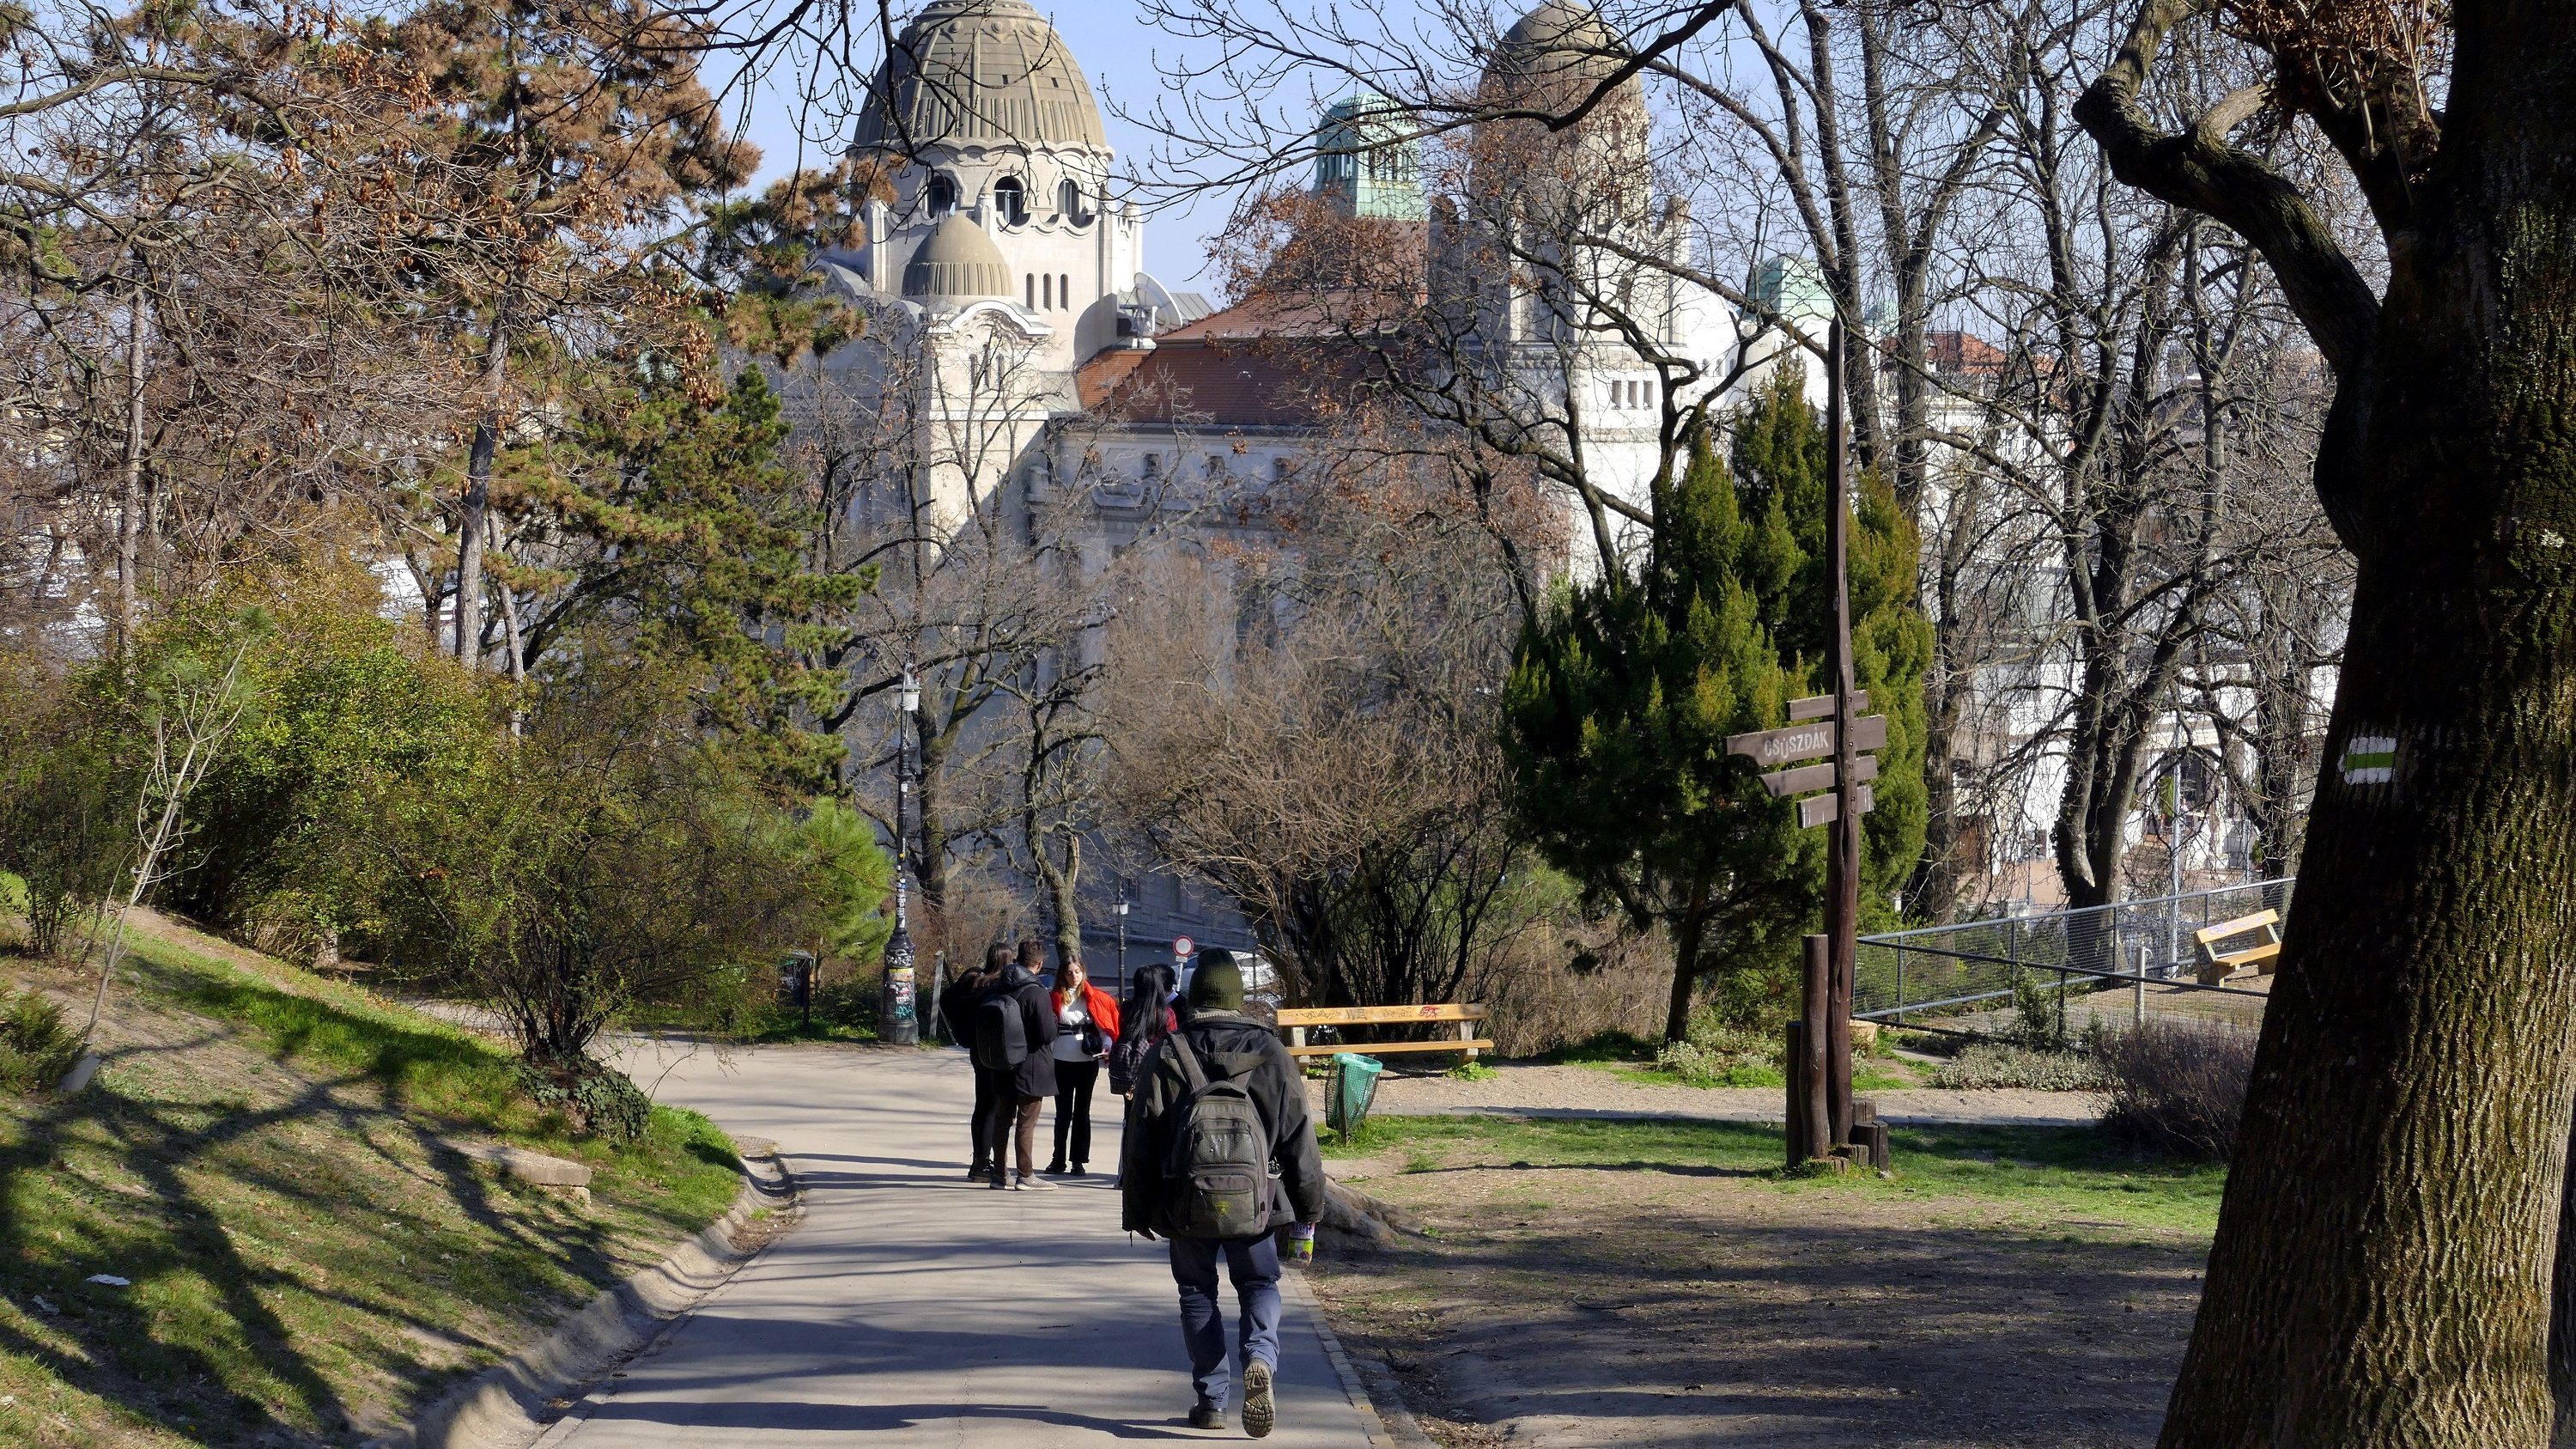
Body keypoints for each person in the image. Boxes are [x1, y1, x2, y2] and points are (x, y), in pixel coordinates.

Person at [1121, 950, 1325, 1439]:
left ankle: (1211, 1401)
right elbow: (1299, 1136)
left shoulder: (1167, 1051)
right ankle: (1260, 1357)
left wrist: (1138, 1208)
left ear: (1194, 997)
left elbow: (1141, 1137)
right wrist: (1308, 1209)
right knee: (1258, 1285)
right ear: (1238, 998)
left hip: (1183, 1202)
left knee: (1197, 1294)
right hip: (1255, 1203)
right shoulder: (1271, 1053)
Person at [981, 939, 1060, 1190]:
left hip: (1003, 1064)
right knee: (1026, 1123)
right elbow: (1047, 1033)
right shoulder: (1036, 992)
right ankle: (1025, 1175)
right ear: (1039, 963)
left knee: (1003, 1120)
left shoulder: (1000, 987)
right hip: (1032, 1067)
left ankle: (998, 1174)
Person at [1044, 956, 1121, 1175]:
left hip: (1087, 1062)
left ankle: (1078, 1161)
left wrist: (1107, 1046)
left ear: (1083, 972)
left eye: (1077, 971)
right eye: (1069, 972)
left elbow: (1105, 1026)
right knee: (1063, 1113)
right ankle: (1058, 1160)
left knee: (1082, 1112)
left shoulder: (1095, 998)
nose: (1074, 976)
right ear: (1063, 974)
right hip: (1061, 1060)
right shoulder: (1055, 998)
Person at [942, 943, 1012, 1182]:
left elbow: (946, 1000)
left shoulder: (974, 980)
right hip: (998, 1052)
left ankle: (979, 1161)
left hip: (977, 1049)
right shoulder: (1000, 985)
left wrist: (965, 1030)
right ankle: (986, 1163)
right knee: (995, 1107)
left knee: (983, 1105)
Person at [1108, 961, 1179, 1099]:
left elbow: (1123, 1033)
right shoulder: (1166, 1013)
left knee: (1130, 1110)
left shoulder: (1127, 1008)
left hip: (1130, 1066)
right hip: (1155, 1069)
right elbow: (1173, 1042)